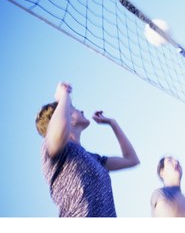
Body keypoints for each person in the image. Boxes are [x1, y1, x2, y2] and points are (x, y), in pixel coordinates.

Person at [35, 82, 140, 217]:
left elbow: (131, 160)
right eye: (74, 108)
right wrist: (63, 96)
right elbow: (58, 130)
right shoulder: (50, 150)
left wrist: (113, 123)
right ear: (67, 115)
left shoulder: (93, 159)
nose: (82, 111)